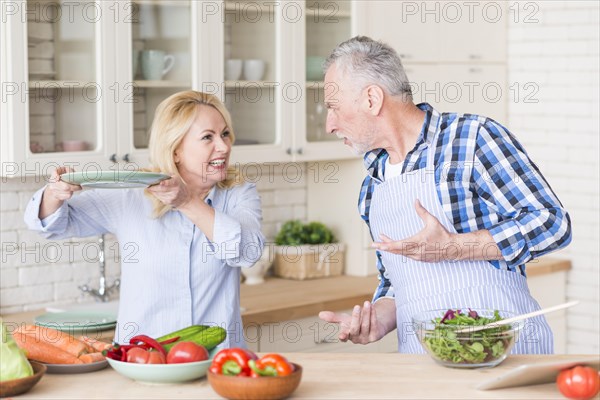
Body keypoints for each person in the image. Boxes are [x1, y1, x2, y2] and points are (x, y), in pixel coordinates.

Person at [318, 36, 572, 354]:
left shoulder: (471, 139)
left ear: (371, 99)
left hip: (505, 356)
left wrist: (455, 247)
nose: (329, 124)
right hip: (424, 364)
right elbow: (397, 282)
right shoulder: (373, 184)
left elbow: (553, 224)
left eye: (333, 108)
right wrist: (378, 320)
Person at [24, 90, 265, 347]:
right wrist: (54, 193)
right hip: (143, 359)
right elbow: (50, 224)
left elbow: (248, 251)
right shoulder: (133, 195)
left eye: (225, 134)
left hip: (218, 363)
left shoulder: (238, 193)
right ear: (175, 151)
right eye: (208, 137)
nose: (224, 146)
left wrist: (187, 202)